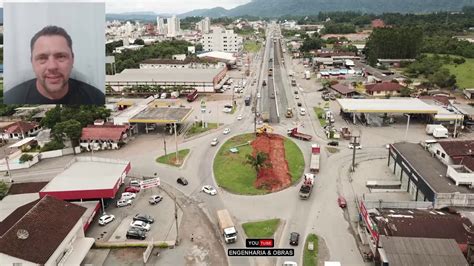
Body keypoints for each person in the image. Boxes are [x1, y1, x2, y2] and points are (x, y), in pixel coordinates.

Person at [4, 25, 105, 104]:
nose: (52, 66)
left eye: (60, 56)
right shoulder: (11, 98)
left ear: (72, 59)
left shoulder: (96, 98)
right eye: (42, 58)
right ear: (32, 62)